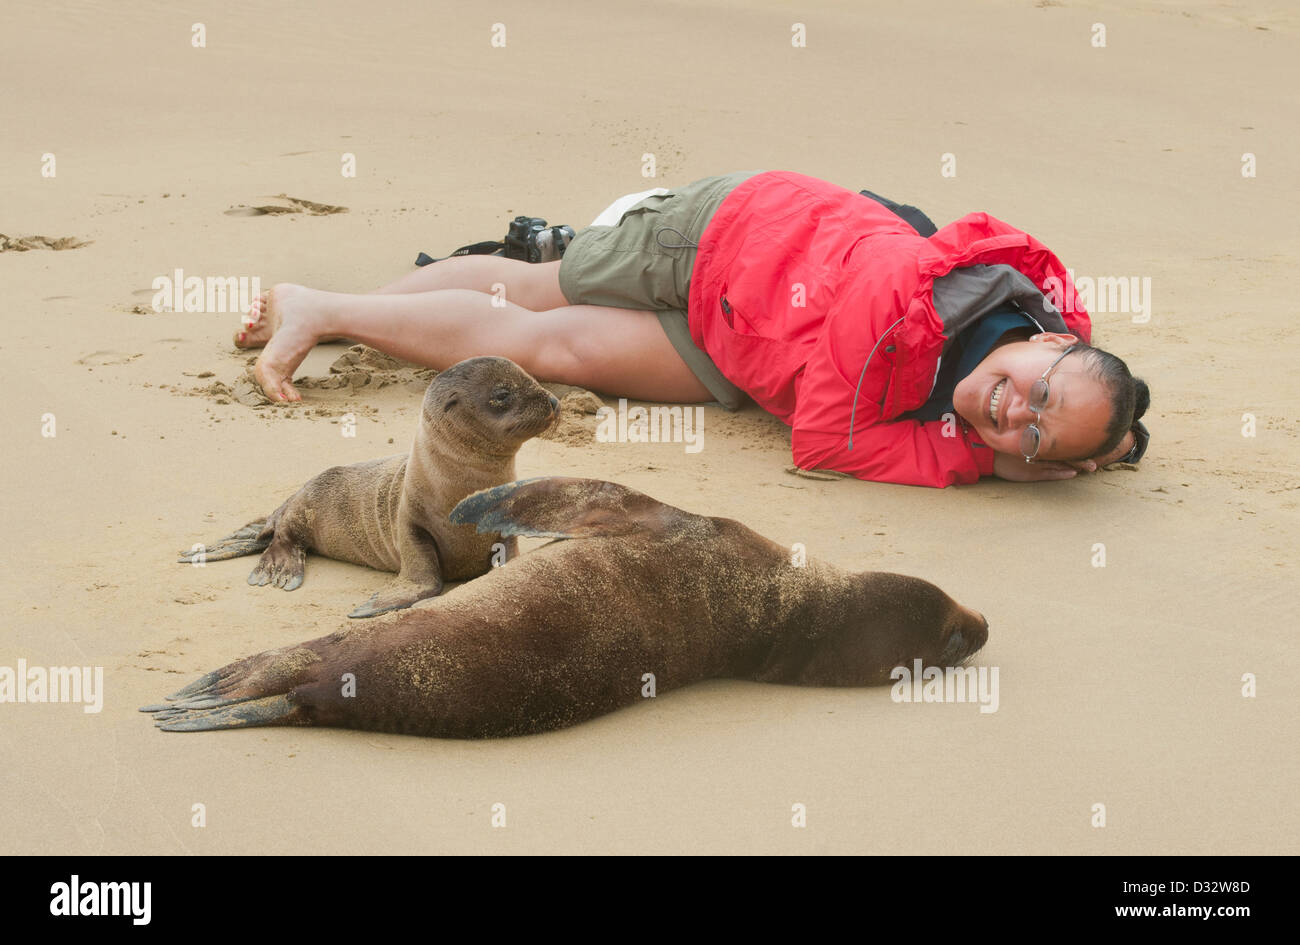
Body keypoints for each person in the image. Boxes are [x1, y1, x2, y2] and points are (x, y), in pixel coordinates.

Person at [236, 169, 1149, 487]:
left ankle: (353, 319)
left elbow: (1091, 402)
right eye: (1037, 392)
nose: (1013, 411)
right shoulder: (899, 304)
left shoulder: (1061, 337)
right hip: (727, 236)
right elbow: (827, 444)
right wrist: (995, 463)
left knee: (561, 353)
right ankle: (335, 310)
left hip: (757, 353)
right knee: (537, 291)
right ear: (1052, 345)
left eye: (1037, 431)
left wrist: (1085, 443)